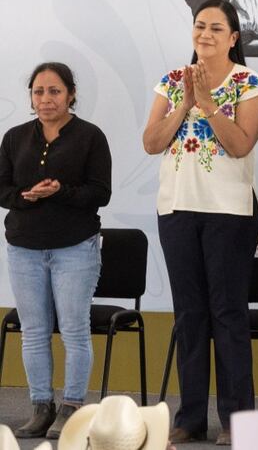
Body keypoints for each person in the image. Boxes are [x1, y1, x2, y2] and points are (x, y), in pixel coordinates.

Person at [142, 0, 258, 445]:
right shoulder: (171, 81)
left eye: (217, 28)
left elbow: (240, 146)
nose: (206, 35)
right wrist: (184, 104)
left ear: (233, 38)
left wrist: (210, 105)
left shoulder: (250, 84)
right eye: (200, 26)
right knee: (190, 316)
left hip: (230, 213)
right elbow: (151, 142)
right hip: (177, 210)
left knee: (228, 314)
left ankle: (238, 419)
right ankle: (190, 417)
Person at [0, 62, 111, 440]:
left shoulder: (90, 137)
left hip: (75, 249)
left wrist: (59, 191)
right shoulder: (15, 137)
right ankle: (41, 406)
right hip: (24, 248)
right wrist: (27, 197)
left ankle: (72, 408)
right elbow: (2, 191)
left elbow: (100, 193)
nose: (45, 99)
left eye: (54, 91)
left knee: (74, 331)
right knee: (33, 332)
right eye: (38, 92)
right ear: (31, 97)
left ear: (71, 94)